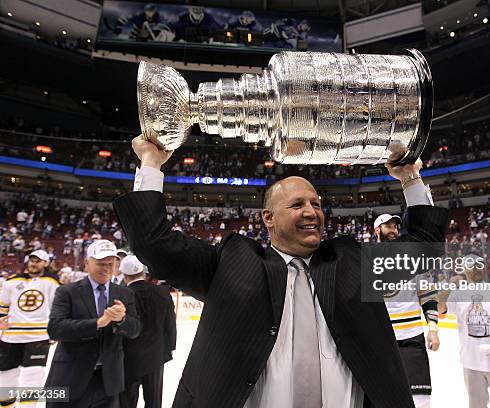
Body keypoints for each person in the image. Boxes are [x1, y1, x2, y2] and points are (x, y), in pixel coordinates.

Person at [113, 135, 449, 408]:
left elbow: (424, 248)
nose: (311, 212)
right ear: (268, 218)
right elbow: (153, 242)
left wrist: (410, 178)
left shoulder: (351, 261)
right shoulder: (231, 263)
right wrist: (151, 163)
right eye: (297, 204)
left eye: (316, 204)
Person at [45, 240, 141, 408]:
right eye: (101, 263)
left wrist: (121, 320)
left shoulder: (124, 293)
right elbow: (56, 329)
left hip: (108, 381)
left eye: (111, 264)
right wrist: (97, 323)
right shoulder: (67, 291)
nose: (107, 268)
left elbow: (135, 330)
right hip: (69, 378)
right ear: (87, 263)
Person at [438, 255, 490, 408]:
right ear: (464, 269)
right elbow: (440, 308)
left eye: (479, 265)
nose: (476, 268)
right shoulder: (459, 294)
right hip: (471, 363)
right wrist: (450, 285)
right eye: (471, 265)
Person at [373, 213, 440, 408]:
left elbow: (427, 295)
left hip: (412, 338)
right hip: (382, 340)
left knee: (420, 401)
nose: (393, 229)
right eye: (388, 225)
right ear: (377, 230)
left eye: (395, 225)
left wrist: (433, 328)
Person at [0, 250, 60, 407]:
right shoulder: (11, 281)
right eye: (32, 260)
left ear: (46, 264)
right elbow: (3, 306)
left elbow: (58, 308)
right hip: (10, 335)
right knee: (6, 373)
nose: (34, 263)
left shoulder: (52, 282)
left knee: (33, 376)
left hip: (38, 336)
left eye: (38, 260)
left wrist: (55, 330)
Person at [119, 255, 176, 408]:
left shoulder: (121, 295)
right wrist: (170, 346)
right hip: (156, 355)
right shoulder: (163, 292)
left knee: (127, 401)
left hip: (129, 358)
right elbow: (170, 323)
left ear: (124, 275)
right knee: (154, 401)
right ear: (143, 272)